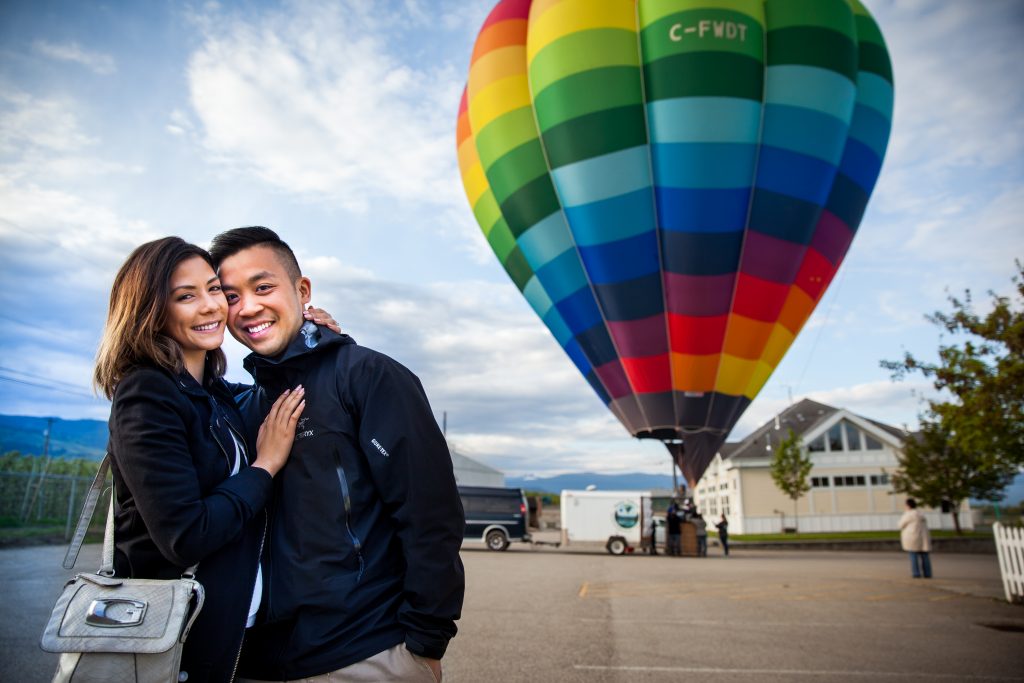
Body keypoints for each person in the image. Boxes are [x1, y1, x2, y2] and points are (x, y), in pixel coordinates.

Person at [211, 226, 465, 683]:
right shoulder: (244, 407)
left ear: (302, 289)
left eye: (263, 287)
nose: (248, 307)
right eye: (231, 296)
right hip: (253, 661)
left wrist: (425, 642)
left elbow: (430, 515)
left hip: (363, 653)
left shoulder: (369, 376)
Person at [94, 237, 309, 683]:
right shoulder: (147, 393)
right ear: (151, 310)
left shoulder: (213, 393)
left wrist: (309, 334)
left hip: (231, 636)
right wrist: (263, 468)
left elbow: (270, 394)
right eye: (186, 296)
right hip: (176, 644)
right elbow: (185, 536)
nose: (211, 307)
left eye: (216, 290)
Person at [899, 498, 932, 578]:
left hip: (913, 537)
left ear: (908, 505)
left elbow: (900, 525)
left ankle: (916, 573)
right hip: (923, 538)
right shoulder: (921, 514)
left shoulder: (909, 514)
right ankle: (927, 573)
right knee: (925, 556)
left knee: (913, 556)